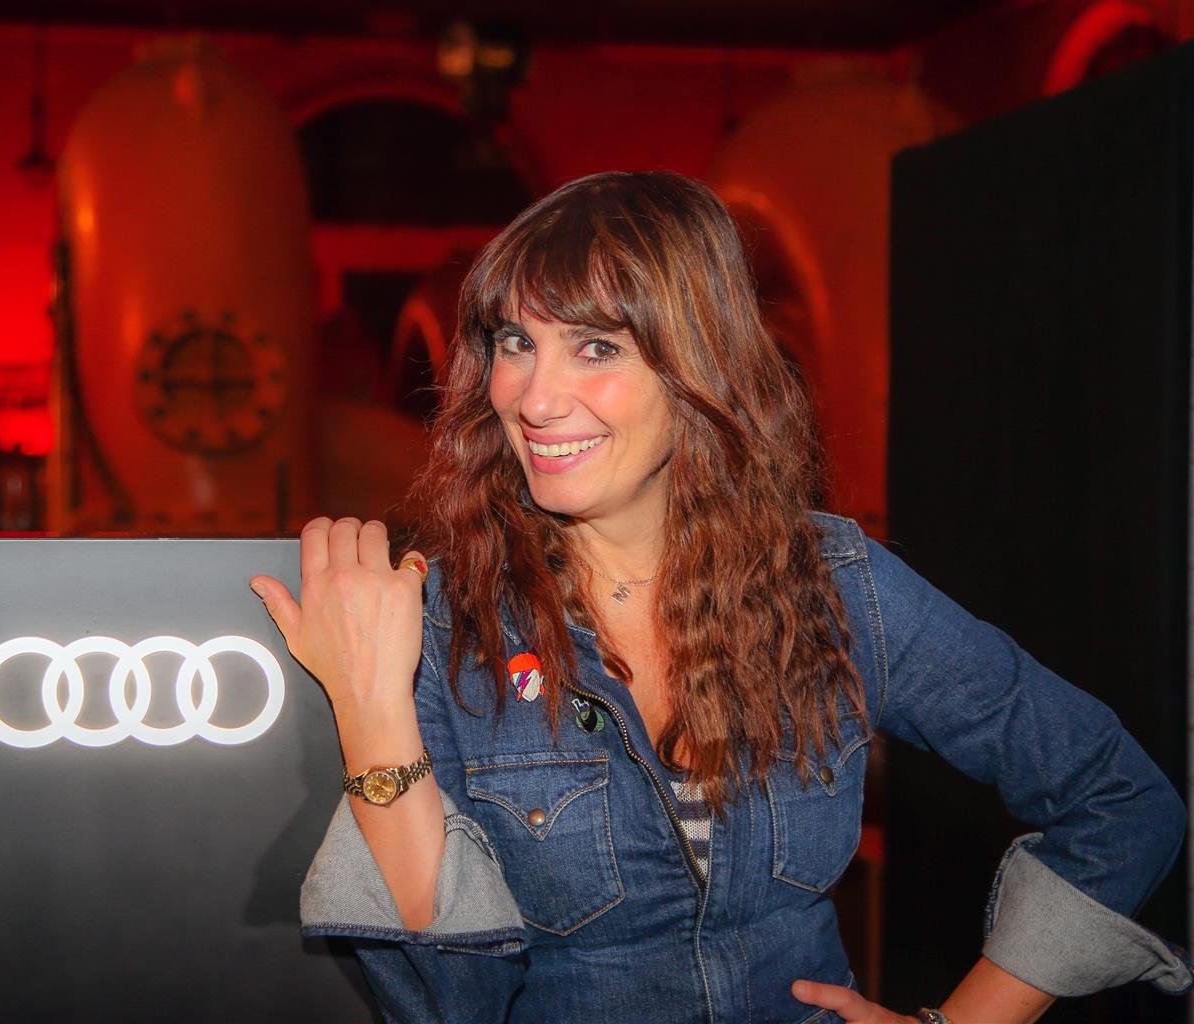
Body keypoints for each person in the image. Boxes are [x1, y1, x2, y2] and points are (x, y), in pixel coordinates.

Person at [249, 171, 1191, 1023]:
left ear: (698, 365)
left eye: (595, 346)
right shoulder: (450, 620)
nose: (534, 398)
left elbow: (1120, 800)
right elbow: (451, 1006)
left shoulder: (830, 585)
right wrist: (372, 711)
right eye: (516, 343)